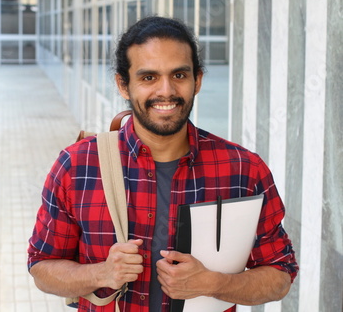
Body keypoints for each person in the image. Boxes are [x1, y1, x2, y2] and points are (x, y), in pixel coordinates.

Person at [27, 16, 298, 312]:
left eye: (179, 76)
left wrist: (215, 283)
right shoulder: (77, 166)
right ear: (123, 85)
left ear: (198, 80)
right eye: (148, 77)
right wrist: (101, 273)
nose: (166, 91)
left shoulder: (244, 170)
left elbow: (280, 275)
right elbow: (42, 267)